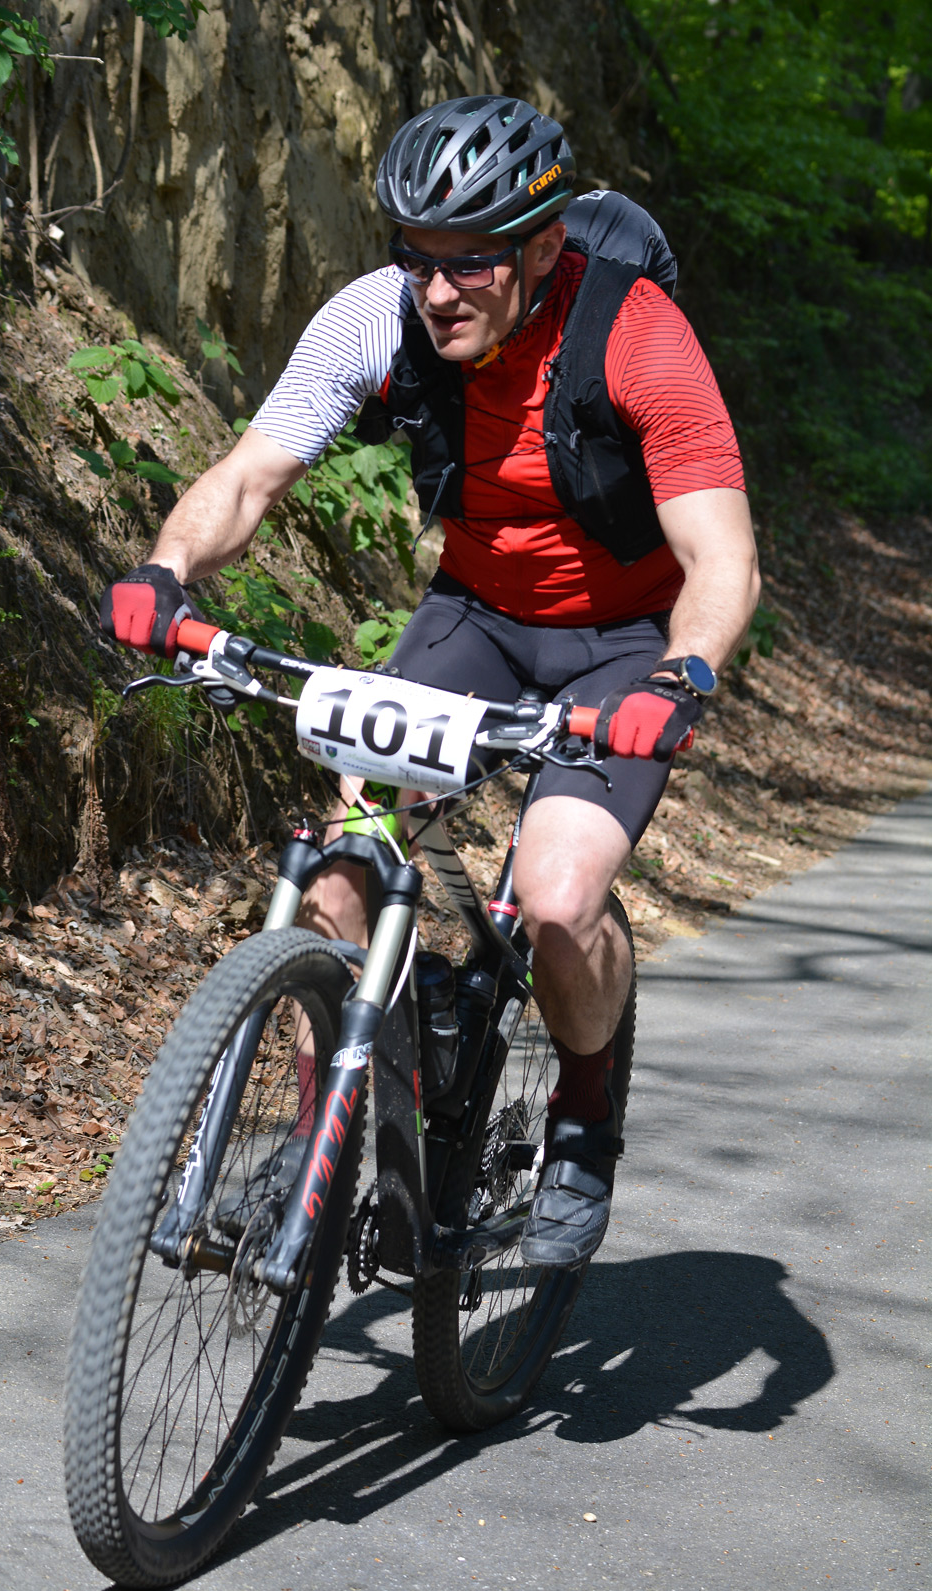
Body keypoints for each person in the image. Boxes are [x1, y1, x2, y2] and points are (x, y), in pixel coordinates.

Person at [100, 95, 760, 1272]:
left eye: (472, 263)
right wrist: (165, 566)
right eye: (416, 258)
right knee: (345, 870)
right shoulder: (376, 315)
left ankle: (582, 1118)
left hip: (620, 644)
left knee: (557, 899)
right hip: (473, 621)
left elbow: (720, 558)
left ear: (547, 247)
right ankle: (323, 1135)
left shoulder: (636, 335)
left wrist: (684, 671)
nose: (437, 290)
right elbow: (250, 475)